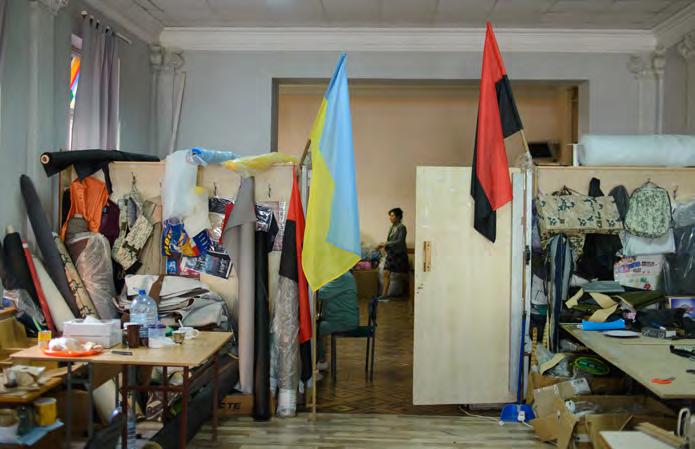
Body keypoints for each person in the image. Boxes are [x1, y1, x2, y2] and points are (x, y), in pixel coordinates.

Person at [316, 271, 360, 372]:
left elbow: (321, 294)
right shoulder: (343, 276)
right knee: (318, 326)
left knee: (315, 329)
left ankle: (321, 362)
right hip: (341, 319)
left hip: (344, 321)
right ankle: (320, 360)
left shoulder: (342, 278)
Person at [378, 207, 408, 299]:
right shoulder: (392, 228)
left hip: (399, 255)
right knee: (386, 272)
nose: (390, 218)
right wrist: (384, 246)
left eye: (392, 216)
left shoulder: (402, 227)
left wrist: (386, 243)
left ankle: (408, 293)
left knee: (404, 274)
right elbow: (389, 240)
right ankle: (384, 295)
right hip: (391, 254)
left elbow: (400, 241)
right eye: (390, 216)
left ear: (398, 217)